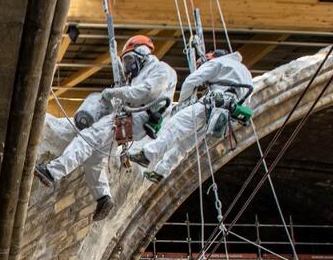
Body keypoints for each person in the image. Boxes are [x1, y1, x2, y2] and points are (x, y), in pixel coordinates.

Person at [36, 35, 177, 221]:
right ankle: (103, 197)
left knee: (88, 137)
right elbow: (133, 90)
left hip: (135, 118)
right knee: (95, 158)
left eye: (129, 59)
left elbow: (146, 92)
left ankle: (52, 172)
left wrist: (113, 92)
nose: (128, 65)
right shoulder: (141, 74)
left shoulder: (161, 70)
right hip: (131, 120)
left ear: (142, 53)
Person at [129, 49, 253, 183]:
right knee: (186, 144)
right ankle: (160, 172)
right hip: (224, 116)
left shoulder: (217, 62)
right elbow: (246, 101)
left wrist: (183, 104)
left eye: (207, 55)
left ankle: (146, 155)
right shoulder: (245, 72)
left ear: (213, 56)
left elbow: (191, 81)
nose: (204, 58)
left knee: (175, 126)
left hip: (210, 106)